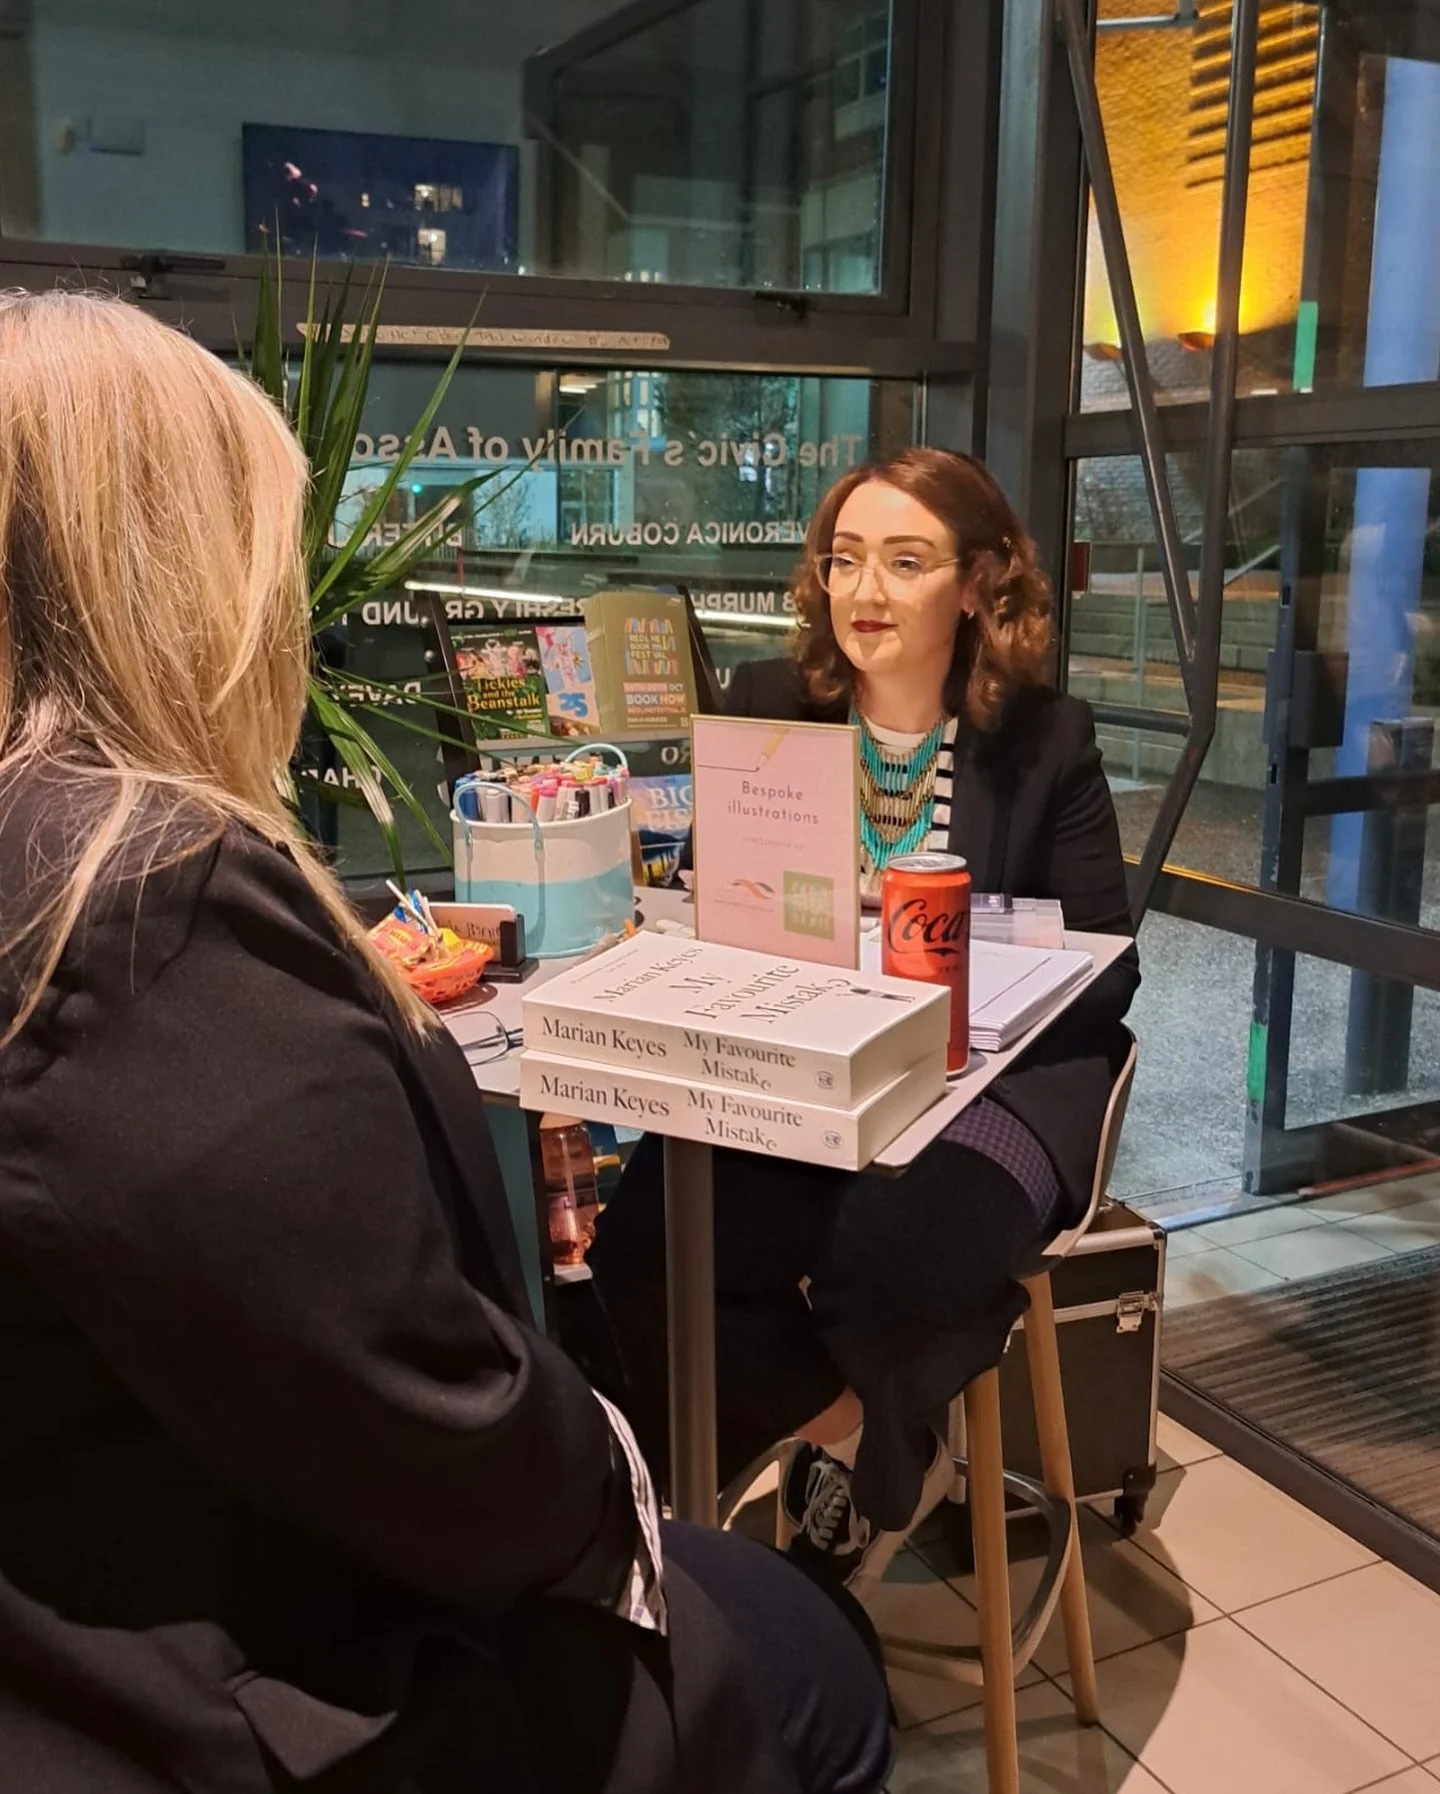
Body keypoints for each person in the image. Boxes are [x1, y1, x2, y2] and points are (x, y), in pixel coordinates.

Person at [0, 291, 894, 1794]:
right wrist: (610, 1487)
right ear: (177, 576)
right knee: (816, 1671)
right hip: (251, 1667)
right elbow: (428, 1416)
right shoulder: (135, 903)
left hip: (113, 1576)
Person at [590, 447, 1140, 1594]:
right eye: (844, 561)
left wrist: (947, 975)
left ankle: (859, 1460)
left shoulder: (1045, 739)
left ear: (978, 583)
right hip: (803, 1063)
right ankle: (856, 1436)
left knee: (886, 1256)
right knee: (647, 1245)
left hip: (994, 1075)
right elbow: (723, 898)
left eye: (904, 562)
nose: (863, 592)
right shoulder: (768, 704)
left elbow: (1105, 967)